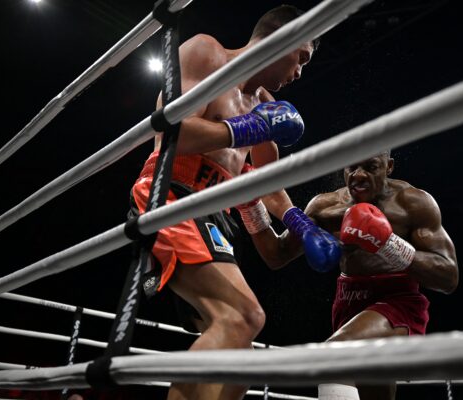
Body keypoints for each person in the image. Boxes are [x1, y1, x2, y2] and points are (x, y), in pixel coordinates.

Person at [128, 5, 330, 400]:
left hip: (214, 213)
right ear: (279, 40)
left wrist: (299, 223)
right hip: (170, 193)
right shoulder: (208, 53)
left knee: (240, 354)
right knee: (245, 316)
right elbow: (174, 133)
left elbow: (268, 183)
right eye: (301, 57)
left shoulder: (264, 104)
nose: (300, 72)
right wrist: (241, 129)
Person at [236, 152, 459, 400]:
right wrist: (251, 205)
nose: (359, 175)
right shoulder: (324, 207)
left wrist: (387, 244)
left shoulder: (412, 203)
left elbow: (448, 276)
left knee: (333, 354)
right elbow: (276, 255)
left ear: (389, 167)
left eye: (370, 167)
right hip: (347, 302)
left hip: (397, 302)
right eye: (352, 167)